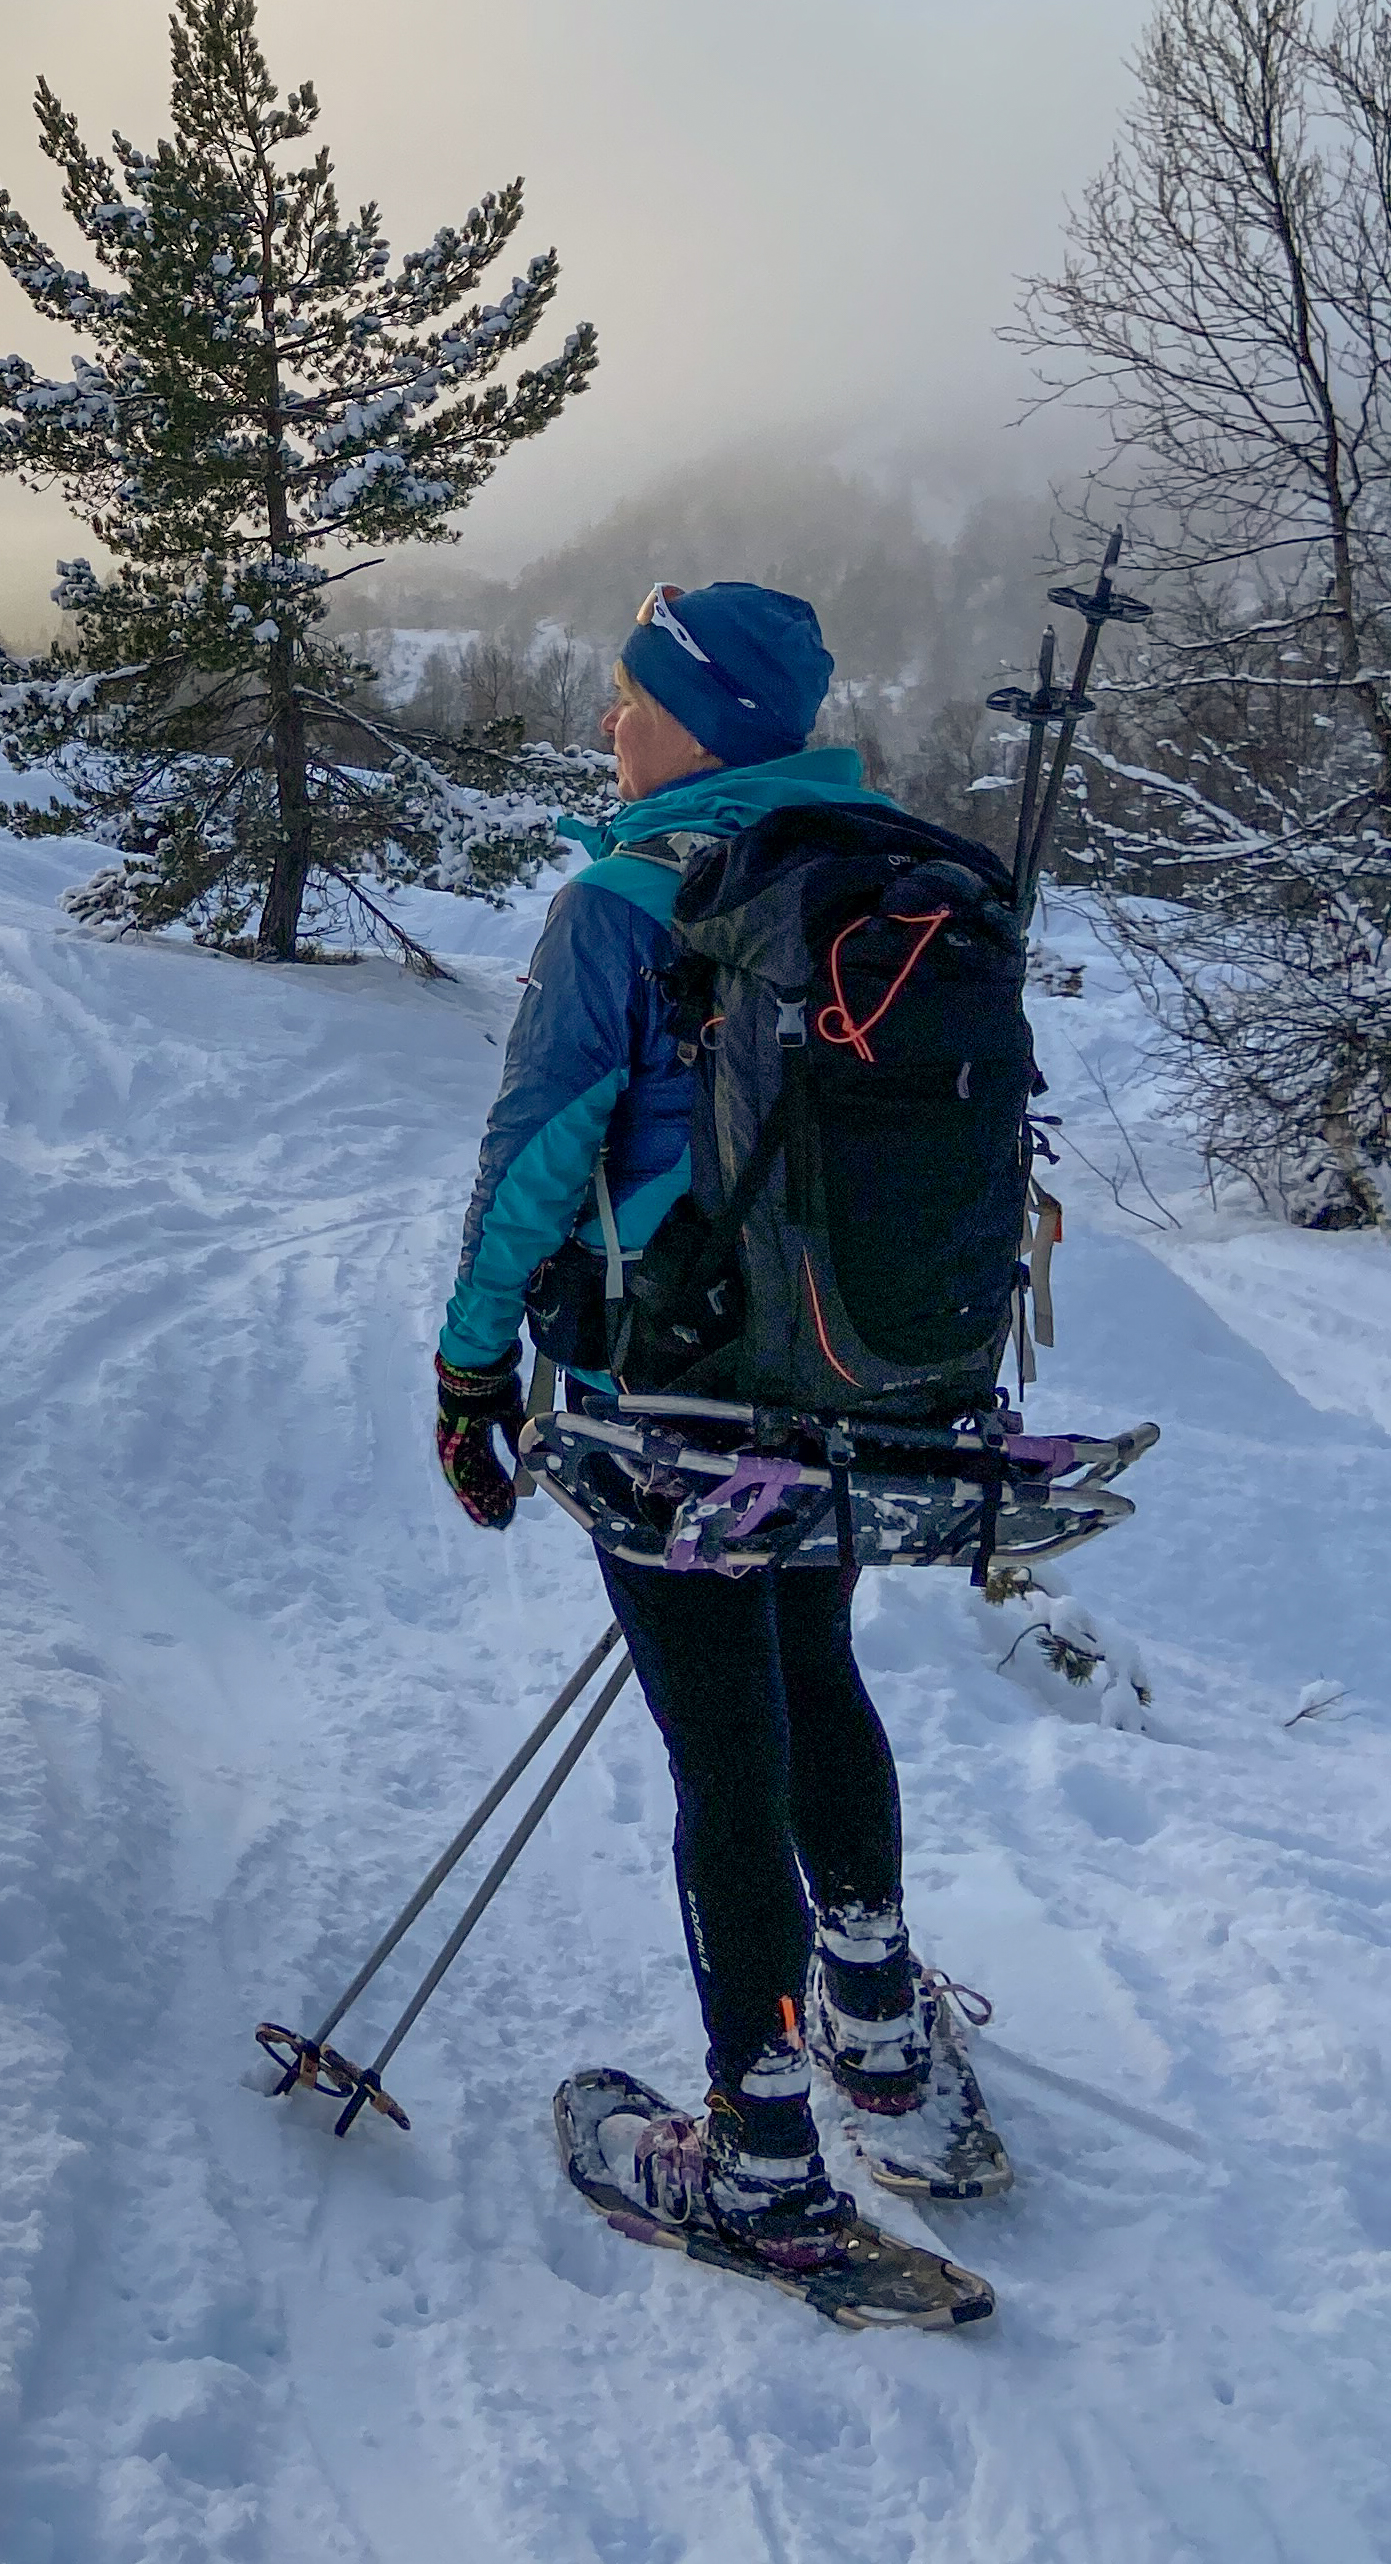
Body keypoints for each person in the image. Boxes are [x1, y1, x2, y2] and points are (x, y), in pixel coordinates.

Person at [432, 581, 939, 2272]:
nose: (606, 723)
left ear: (703, 721)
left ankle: (760, 2145)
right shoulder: (868, 875)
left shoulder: (626, 901)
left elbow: (532, 1161)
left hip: (671, 1395)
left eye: (631, 697)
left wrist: (467, 1370)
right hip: (848, 1379)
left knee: (722, 1743)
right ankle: (872, 2017)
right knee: (815, 1679)